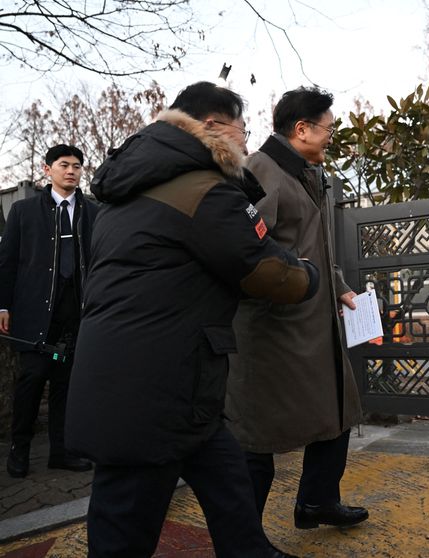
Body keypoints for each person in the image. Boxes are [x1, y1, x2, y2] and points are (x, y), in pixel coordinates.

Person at [64, 82, 318, 558]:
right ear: (214, 127)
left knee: (229, 487)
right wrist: (310, 275)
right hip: (153, 393)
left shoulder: (125, 194)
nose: (247, 142)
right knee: (123, 531)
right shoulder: (205, 191)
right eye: (243, 130)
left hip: (173, 384)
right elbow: (264, 270)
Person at [226, 86, 367, 530]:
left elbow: (312, 243)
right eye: (328, 128)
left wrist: (339, 286)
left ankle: (317, 502)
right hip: (274, 331)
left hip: (313, 321)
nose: (331, 137)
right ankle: (242, 536)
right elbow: (245, 249)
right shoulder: (260, 172)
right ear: (301, 129)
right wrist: (296, 280)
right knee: (257, 440)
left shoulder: (309, 172)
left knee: (337, 411)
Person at [0, 144, 96, 478]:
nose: (71, 171)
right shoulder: (24, 212)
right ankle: (19, 450)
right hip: (35, 313)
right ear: (47, 170)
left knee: (66, 386)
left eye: (77, 166)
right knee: (30, 382)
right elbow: (8, 261)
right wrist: (4, 304)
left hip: (77, 313)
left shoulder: (92, 212)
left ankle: (62, 451)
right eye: (64, 165)